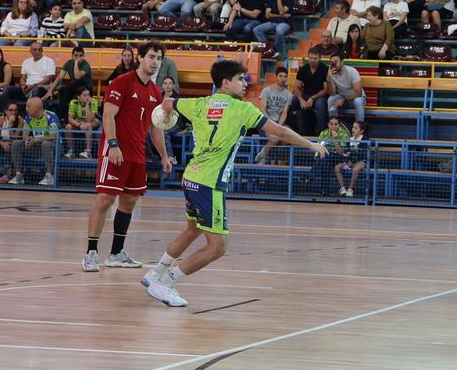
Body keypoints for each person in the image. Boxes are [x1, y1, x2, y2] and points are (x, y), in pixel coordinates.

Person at [140, 59, 326, 307]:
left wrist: (164, 115)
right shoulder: (242, 109)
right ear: (225, 83)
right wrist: (311, 144)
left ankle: (154, 273)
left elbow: (167, 102)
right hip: (209, 183)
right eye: (241, 79)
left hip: (191, 177)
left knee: (193, 229)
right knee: (217, 247)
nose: (245, 83)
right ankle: (165, 284)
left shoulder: (198, 103)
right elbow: (279, 131)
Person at [84, 42, 174, 273]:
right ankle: (91, 253)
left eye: (159, 58)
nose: (155, 62)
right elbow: (108, 115)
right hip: (115, 152)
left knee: (129, 202)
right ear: (140, 58)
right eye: (151, 56)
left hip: (137, 155)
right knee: (105, 199)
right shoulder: (122, 82)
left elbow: (155, 129)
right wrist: (113, 144)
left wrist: (164, 157)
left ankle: (116, 253)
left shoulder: (155, 92)